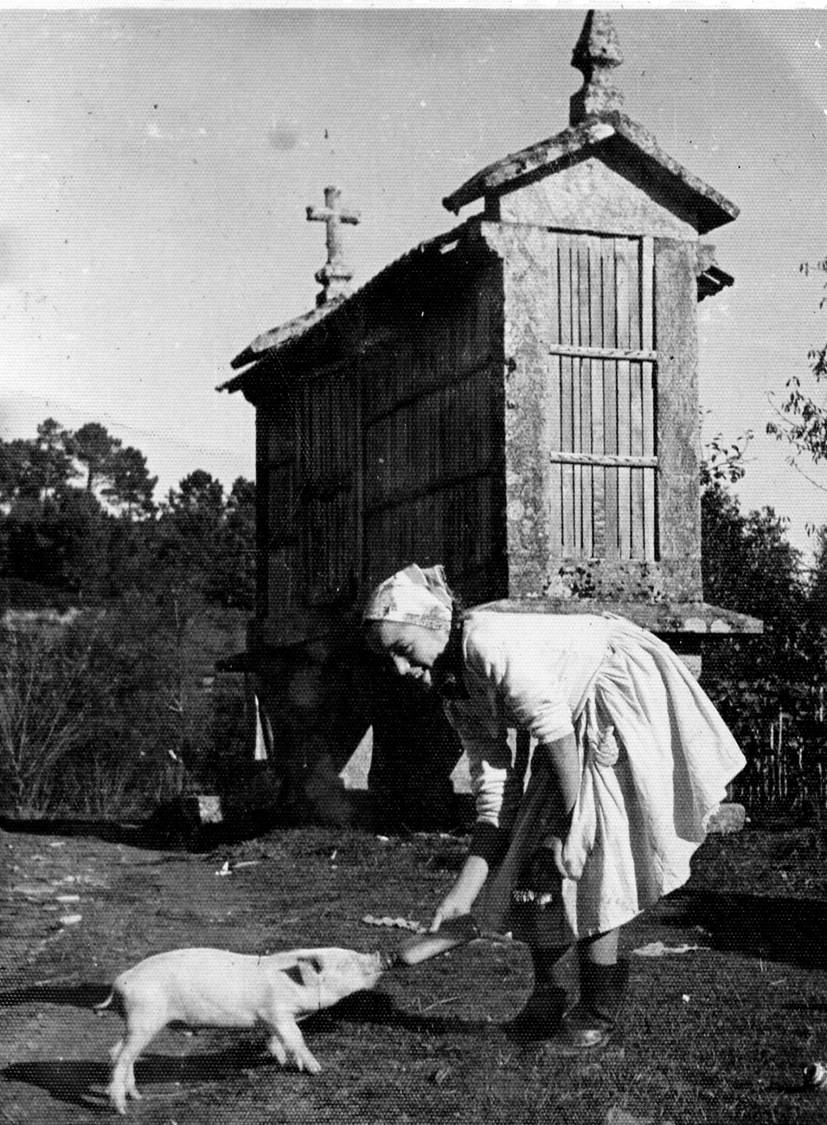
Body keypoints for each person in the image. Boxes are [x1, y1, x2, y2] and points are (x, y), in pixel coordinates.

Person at [362, 563, 745, 1052]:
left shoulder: (485, 643)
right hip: (566, 725)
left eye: (402, 648)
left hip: (613, 691)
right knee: (533, 861)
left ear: (435, 622)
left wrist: (569, 828)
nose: (400, 668)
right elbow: (496, 791)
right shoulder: (453, 691)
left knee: (591, 859)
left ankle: (598, 1008)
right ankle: (550, 996)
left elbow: (558, 738)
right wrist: (463, 893)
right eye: (389, 658)